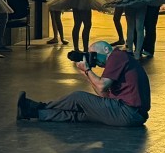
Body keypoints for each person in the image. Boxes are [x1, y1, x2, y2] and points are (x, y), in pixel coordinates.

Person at [16, 41, 150, 126]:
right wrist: (86, 74)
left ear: (105, 50)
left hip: (128, 112)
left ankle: (39, 106)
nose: (95, 61)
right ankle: (31, 113)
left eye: (94, 55)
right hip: (133, 116)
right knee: (78, 115)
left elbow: (102, 86)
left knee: (78, 97)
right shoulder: (118, 61)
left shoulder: (117, 56)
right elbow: (104, 95)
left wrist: (87, 69)